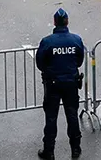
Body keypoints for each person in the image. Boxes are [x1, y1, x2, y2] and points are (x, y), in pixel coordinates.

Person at [35, 8, 85, 160]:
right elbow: (79, 60)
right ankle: (75, 148)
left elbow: (40, 63)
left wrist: (51, 71)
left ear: (55, 22)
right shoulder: (76, 39)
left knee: (51, 117)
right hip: (71, 82)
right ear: (67, 22)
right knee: (72, 115)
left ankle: (49, 151)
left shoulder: (47, 41)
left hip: (53, 83)